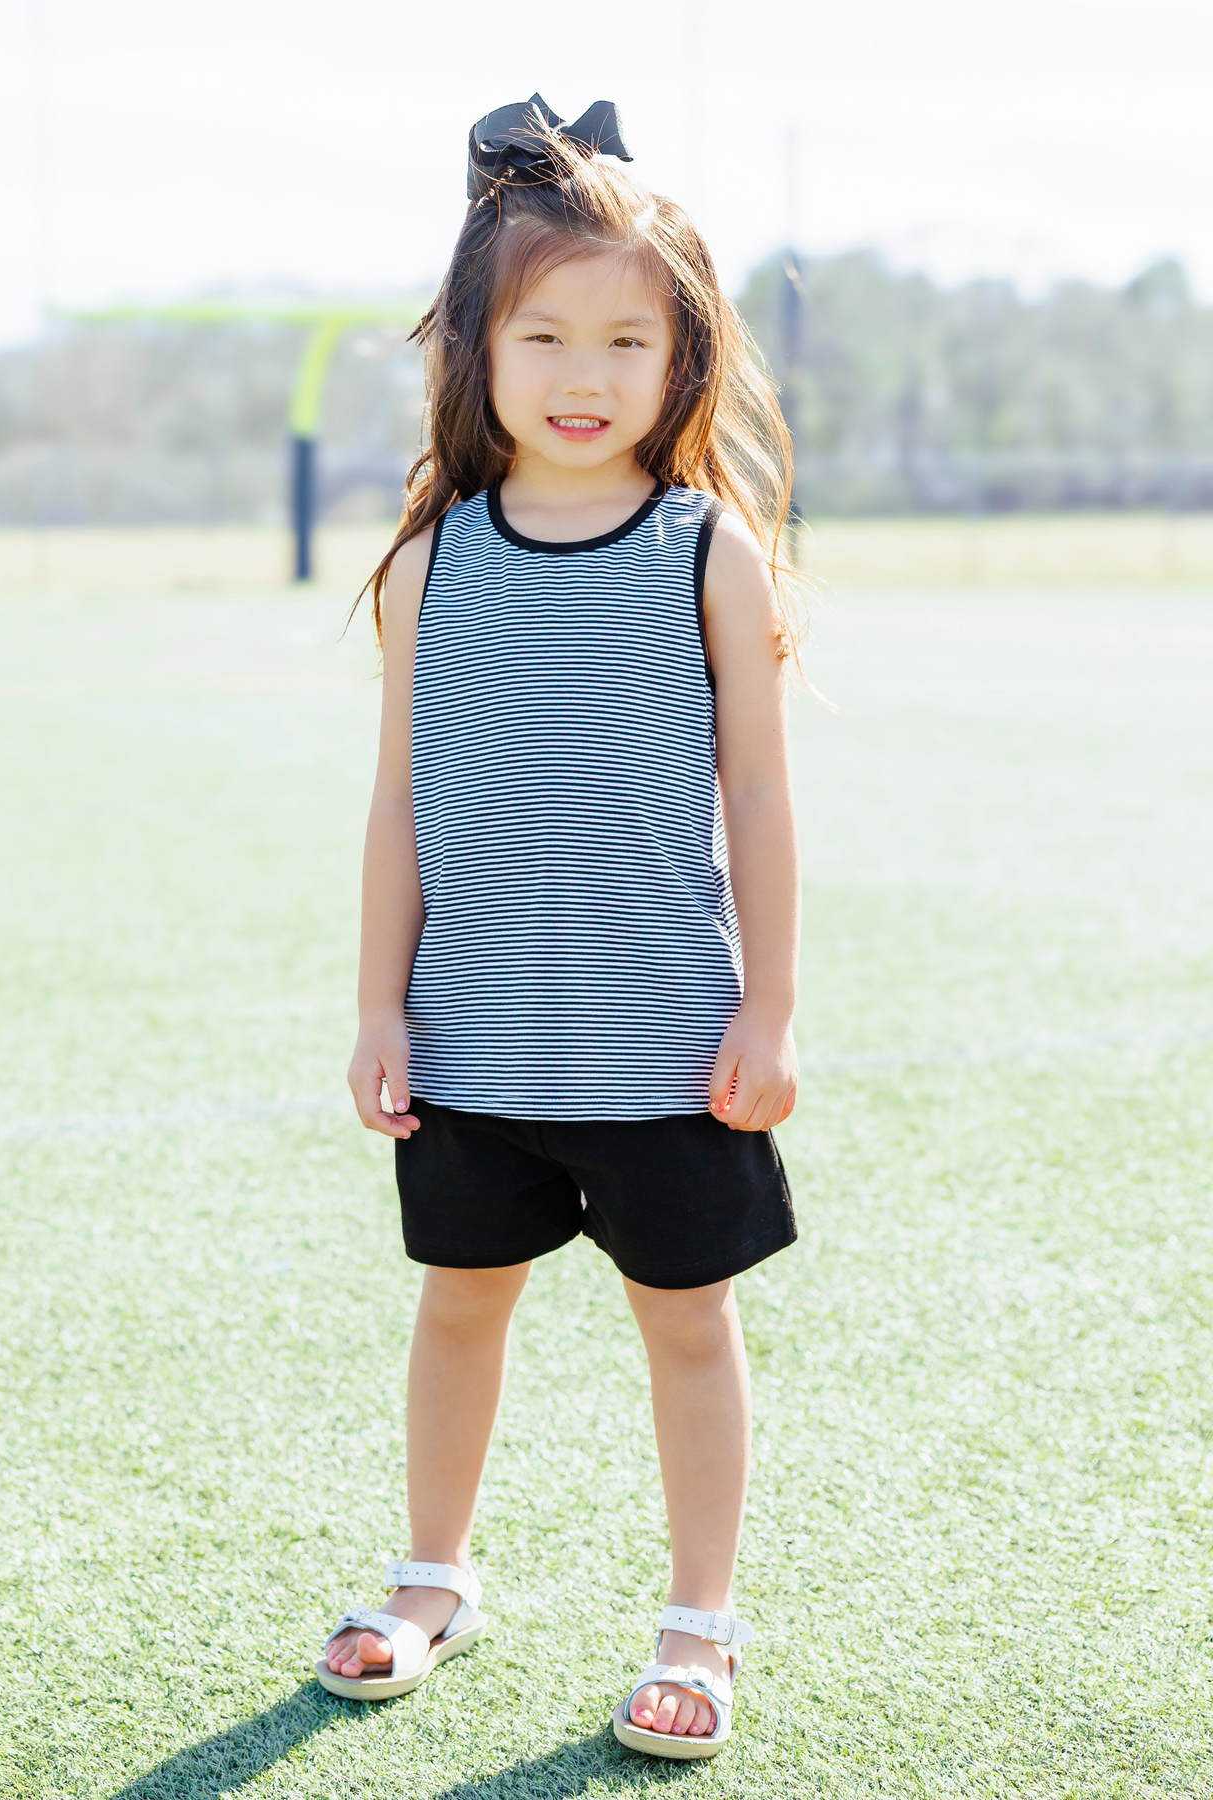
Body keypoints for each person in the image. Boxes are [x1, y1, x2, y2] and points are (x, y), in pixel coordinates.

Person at [317, 94, 802, 1762]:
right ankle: (433, 1577)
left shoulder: (706, 553)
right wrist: (380, 1009)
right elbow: (401, 801)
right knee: (460, 1302)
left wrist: (770, 1012)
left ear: (683, 357)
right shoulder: (431, 563)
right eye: (544, 335)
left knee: (688, 1325)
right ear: (478, 347)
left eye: (626, 340)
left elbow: (760, 799)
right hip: (475, 1040)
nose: (583, 374)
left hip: (668, 1046)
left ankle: (699, 1622)